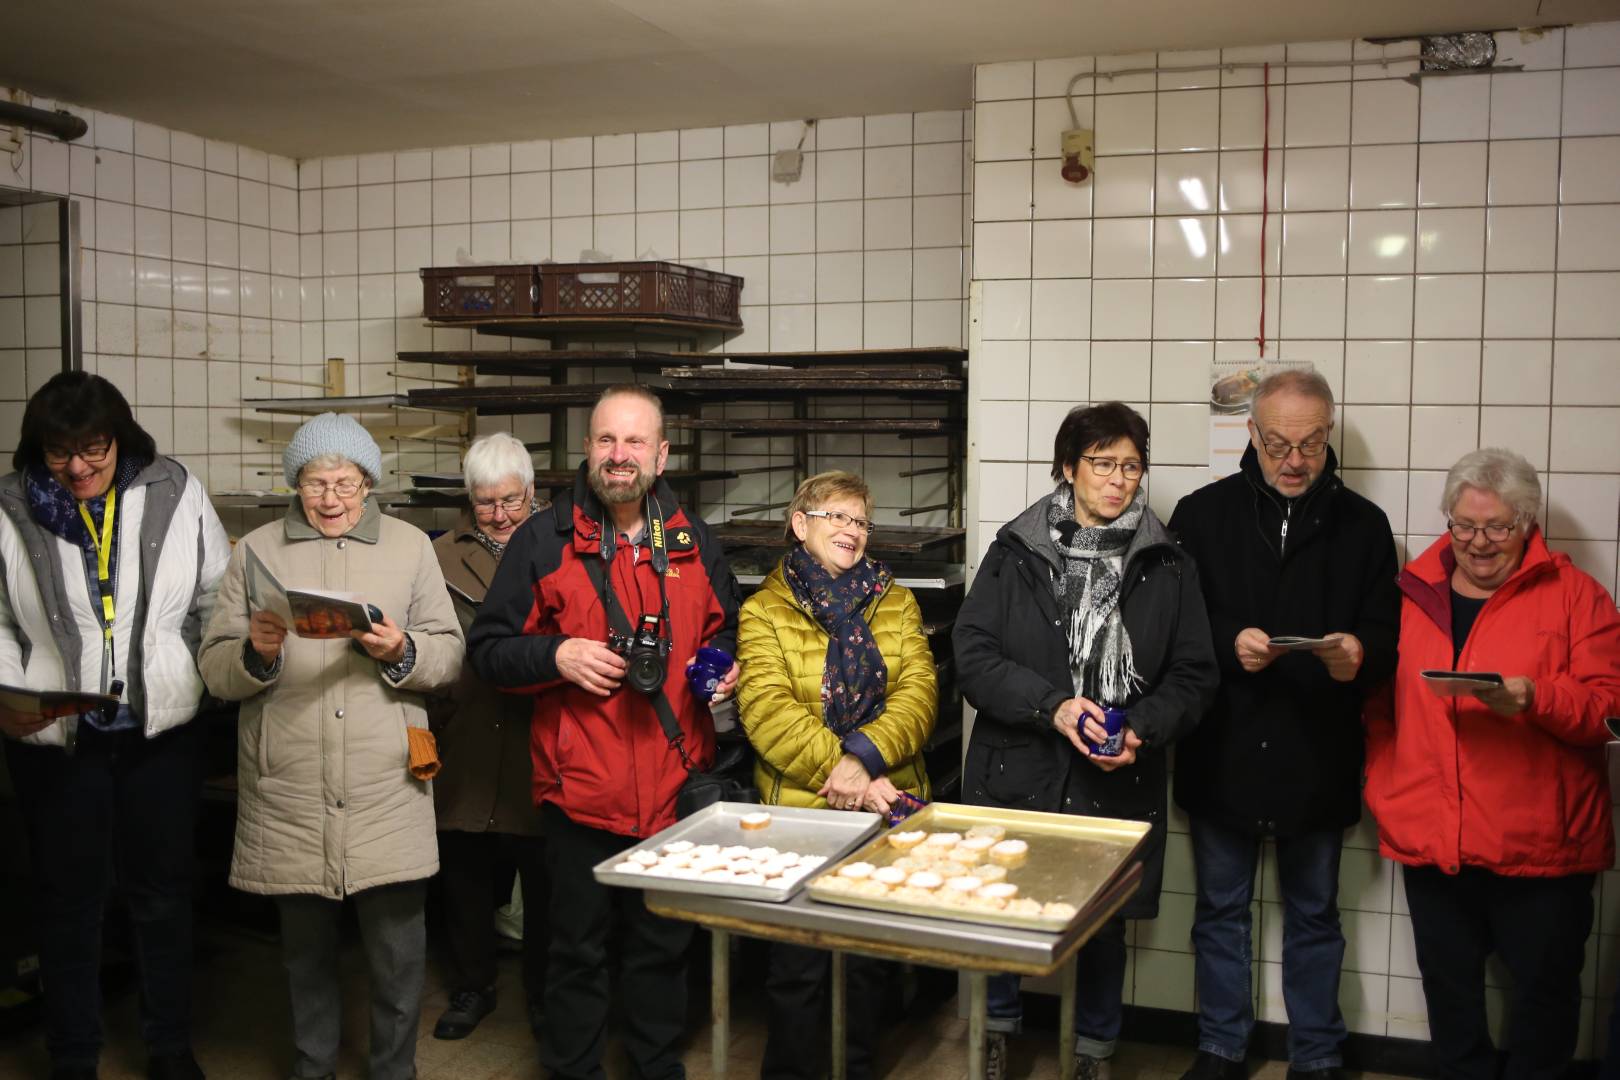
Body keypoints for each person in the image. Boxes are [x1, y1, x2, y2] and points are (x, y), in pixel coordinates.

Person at [469, 385, 742, 1080]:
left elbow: (725, 633)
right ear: (587, 448)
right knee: (576, 952)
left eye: (635, 443)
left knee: (662, 948)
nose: (620, 457)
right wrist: (556, 655)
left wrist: (720, 671)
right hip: (581, 791)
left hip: (676, 787)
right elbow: (489, 650)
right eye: (606, 441)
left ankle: (657, 1065)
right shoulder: (543, 539)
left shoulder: (690, 539)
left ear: (661, 453)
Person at [954, 402, 1218, 1080]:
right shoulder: (1017, 552)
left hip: (1115, 774)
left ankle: (1094, 1053)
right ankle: (996, 1033)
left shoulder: (1168, 563)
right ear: (1068, 468)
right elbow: (973, 654)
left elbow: (1194, 674)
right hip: (1018, 766)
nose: (1119, 479)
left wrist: (1142, 726)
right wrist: (1052, 708)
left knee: (1102, 927)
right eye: (1102, 463)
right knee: (1003, 910)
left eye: (1131, 466)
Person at [198, 412, 464, 1080]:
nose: (331, 499)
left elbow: (450, 653)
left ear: (369, 484)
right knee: (304, 954)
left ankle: (393, 1070)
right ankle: (312, 1068)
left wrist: (402, 649)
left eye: (345, 483)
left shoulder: (409, 547)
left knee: (398, 954)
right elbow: (214, 667)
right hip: (290, 781)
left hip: (387, 781)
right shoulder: (255, 551)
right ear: (297, 483)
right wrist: (255, 654)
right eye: (317, 483)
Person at [1168, 369, 1400, 1080]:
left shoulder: (1364, 525)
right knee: (1220, 912)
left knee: (1314, 916)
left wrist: (1355, 658)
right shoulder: (1201, 515)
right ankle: (1220, 1047)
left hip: (1318, 751)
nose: (1294, 460)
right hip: (1224, 748)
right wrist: (1227, 637)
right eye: (1278, 444)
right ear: (1252, 436)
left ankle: (1318, 1054)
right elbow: (1170, 627)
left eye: (1310, 443)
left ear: (1328, 437)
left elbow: (1385, 640)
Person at [0, 372, 229, 1080]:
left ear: (119, 440)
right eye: (59, 452)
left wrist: (187, 670)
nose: (76, 468)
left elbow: (215, 597)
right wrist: (12, 690)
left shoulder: (173, 490)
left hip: (159, 731)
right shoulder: (11, 504)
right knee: (69, 898)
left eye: (92, 450)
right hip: (55, 735)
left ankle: (168, 1046)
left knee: (162, 893)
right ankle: (74, 1053)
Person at [1365, 447, 1620, 1080]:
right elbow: (1378, 705)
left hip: (1541, 845)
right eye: (1463, 525)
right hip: (1432, 835)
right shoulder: (1412, 592)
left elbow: (1609, 709)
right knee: (1451, 1004)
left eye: (1497, 527)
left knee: (1544, 1004)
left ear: (1528, 524)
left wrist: (1535, 697)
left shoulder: (1578, 597)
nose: (1478, 543)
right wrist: (1384, 780)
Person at [736, 470, 937, 1080]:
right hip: (799, 817)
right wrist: (846, 772)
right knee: (797, 967)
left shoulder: (895, 600)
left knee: (865, 965)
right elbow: (767, 710)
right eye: (838, 518)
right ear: (800, 526)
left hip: (881, 809)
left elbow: (920, 692)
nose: (852, 531)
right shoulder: (763, 610)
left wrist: (863, 762)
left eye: (861, 522)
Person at [428, 432, 549, 1041]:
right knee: (465, 869)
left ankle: (547, 993)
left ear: (532, 493)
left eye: (511, 502)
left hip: (542, 731)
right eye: (485, 503)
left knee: (546, 869)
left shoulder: (562, 547)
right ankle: (473, 986)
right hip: (467, 727)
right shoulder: (438, 555)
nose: (499, 516)